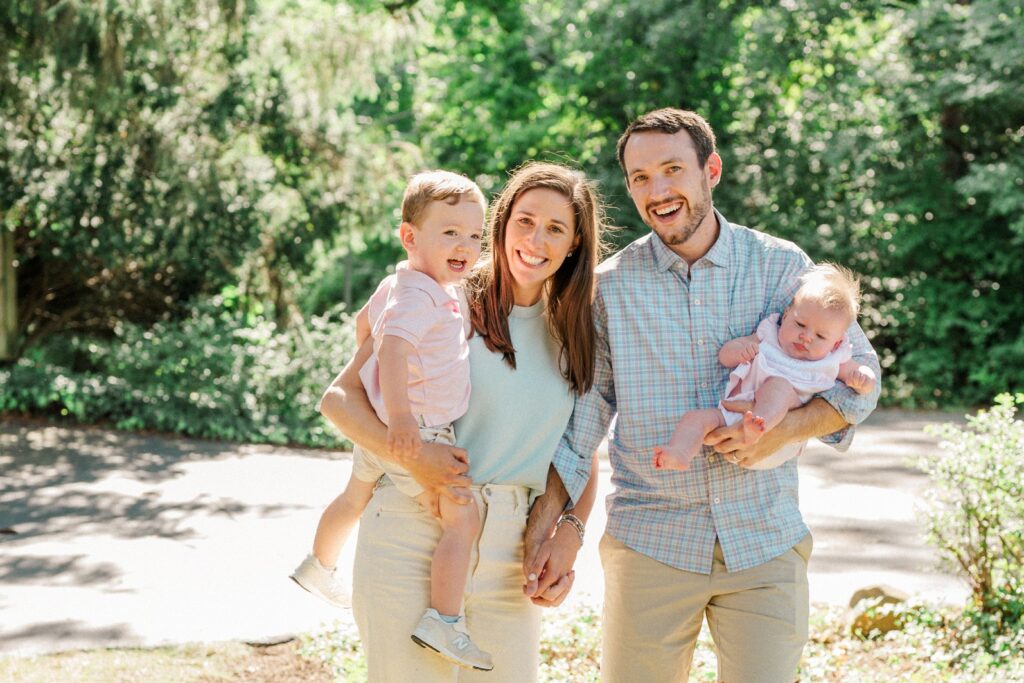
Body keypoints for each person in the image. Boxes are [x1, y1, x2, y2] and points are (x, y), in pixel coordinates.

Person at [534, 108, 882, 682]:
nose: (658, 191)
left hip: (764, 541)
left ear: (711, 170)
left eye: (672, 170)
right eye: (641, 178)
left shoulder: (783, 268)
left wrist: (789, 428)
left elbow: (860, 382)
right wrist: (552, 527)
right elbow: (582, 423)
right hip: (651, 542)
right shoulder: (609, 290)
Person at [318, 161, 606, 681]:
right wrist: (415, 459)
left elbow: (581, 450)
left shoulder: (578, 330)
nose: (535, 240)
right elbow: (340, 399)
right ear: (502, 223)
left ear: (575, 243)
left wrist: (569, 535)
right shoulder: (442, 297)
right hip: (414, 529)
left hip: (511, 552)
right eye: (524, 220)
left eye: (555, 228)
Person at [290, 170, 495, 668]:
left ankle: (318, 564)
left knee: (354, 497)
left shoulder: (398, 285)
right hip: (416, 428)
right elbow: (395, 347)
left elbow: (365, 325)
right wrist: (401, 418)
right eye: (450, 232)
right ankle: (444, 620)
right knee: (462, 517)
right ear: (410, 236)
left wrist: (386, 402)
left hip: (384, 426)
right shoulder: (423, 297)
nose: (465, 245)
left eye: (474, 235)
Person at [653, 262, 878, 472]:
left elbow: (860, 375)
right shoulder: (768, 334)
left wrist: (864, 378)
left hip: (778, 434)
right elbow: (725, 356)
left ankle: (757, 426)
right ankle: (680, 452)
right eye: (800, 324)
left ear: (836, 343)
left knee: (778, 386)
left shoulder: (832, 358)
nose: (806, 336)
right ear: (786, 315)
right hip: (733, 414)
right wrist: (739, 350)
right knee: (696, 418)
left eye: (820, 336)